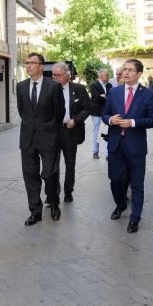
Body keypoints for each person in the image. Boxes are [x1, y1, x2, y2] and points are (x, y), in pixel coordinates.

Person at [102, 59, 153, 233]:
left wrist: (133, 122)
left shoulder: (147, 94)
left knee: (137, 184)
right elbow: (105, 114)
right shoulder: (114, 92)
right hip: (115, 144)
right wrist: (111, 120)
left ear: (139, 74)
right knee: (116, 179)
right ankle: (120, 205)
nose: (125, 73)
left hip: (136, 146)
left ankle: (135, 218)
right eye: (124, 69)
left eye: (130, 70)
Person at [17, 53, 64, 225]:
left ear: (41, 66)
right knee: (30, 176)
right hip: (28, 138)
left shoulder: (53, 86)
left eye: (32, 63)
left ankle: (53, 203)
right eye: (26, 63)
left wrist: (49, 128)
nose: (28, 66)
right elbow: (23, 112)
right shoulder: (21, 86)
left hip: (49, 137)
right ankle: (35, 212)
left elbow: (60, 113)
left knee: (50, 173)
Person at [52, 62, 90, 203]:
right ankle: (53, 194)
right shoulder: (50, 89)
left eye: (58, 75)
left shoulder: (79, 89)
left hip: (70, 131)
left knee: (70, 164)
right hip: (54, 132)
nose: (55, 78)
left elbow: (87, 108)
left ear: (67, 75)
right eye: (53, 75)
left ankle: (68, 191)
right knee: (52, 164)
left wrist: (75, 120)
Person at [89, 69, 112, 159]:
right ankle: (95, 151)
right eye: (107, 75)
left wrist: (103, 96)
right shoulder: (94, 85)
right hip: (96, 112)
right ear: (101, 76)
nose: (108, 77)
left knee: (107, 133)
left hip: (107, 112)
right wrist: (103, 97)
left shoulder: (109, 85)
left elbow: (111, 97)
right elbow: (97, 98)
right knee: (97, 132)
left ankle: (108, 154)